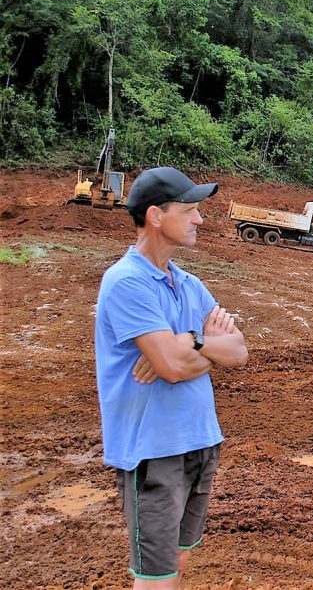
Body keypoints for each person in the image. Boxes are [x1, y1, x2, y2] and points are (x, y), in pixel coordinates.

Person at [94, 166, 248, 589]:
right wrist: (196, 350)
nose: (200, 219)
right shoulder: (126, 282)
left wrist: (189, 341)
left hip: (199, 442)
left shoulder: (188, 283)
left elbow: (238, 351)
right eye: (190, 210)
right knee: (156, 577)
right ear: (156, 217)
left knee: (177, 566)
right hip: (154, 451)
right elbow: (173, 367)